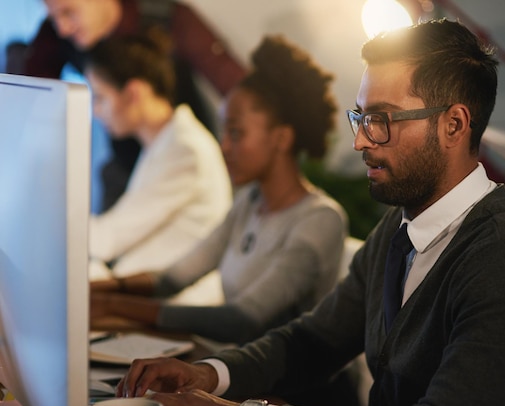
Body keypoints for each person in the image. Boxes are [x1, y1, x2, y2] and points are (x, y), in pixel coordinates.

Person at [113, 19, 505, 406]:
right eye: (360, 118)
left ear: (454, 125)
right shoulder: (398, 233)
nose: (361, 141)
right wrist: (211, 373)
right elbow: (313, 341)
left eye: (381, 119)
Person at [90, 35, 349, 347]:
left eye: (236, 133)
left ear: (281, 138)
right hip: (240, 371)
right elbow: (171, 280)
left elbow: (242, 320)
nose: (224, 146)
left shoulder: (320, 220)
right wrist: (101, 289)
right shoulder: (249, 204)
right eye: (224, 131)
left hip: (296, 392)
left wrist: (113, 305)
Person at [16, 0, 246, 211]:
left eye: (69, 12)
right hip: (127, 167)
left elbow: (240, 89)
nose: (63, 28)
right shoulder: (56, 37)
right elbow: (26, 99)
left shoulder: (167, 18)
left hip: (182, 164)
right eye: (53, 17)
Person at [85, 30, 232, 278]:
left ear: (134, 93)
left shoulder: (186, 151)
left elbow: (107, 240)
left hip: (176, 304)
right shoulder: (165, 142)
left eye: (100, 97)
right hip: (146, 288)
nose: (96, 111)